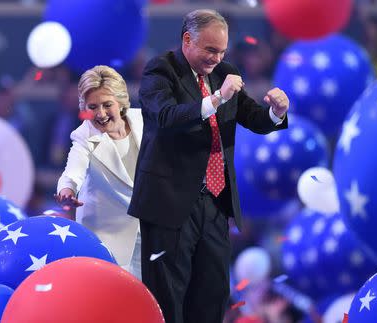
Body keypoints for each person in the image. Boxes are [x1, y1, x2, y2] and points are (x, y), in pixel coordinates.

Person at [127, 9, 290, 323]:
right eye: (210, 50)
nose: (217, 58)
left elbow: (254, 118)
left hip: (215, 203)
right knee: (168, 296)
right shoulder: (160, 70)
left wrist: (276, 113)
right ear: (188, 40)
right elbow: (165, 118)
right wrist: (216, 99)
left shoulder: (223, 71)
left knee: (213, 293)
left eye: (222, 51)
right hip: (169, 203)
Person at [55, 65, 143, 279]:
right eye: (93, 106)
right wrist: (67, 191)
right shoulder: (83, 135)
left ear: (121, 102)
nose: (101, 114)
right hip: (105, 236)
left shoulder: (145, 120)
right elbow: (72, 171)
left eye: (107, 105)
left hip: (148, 231)